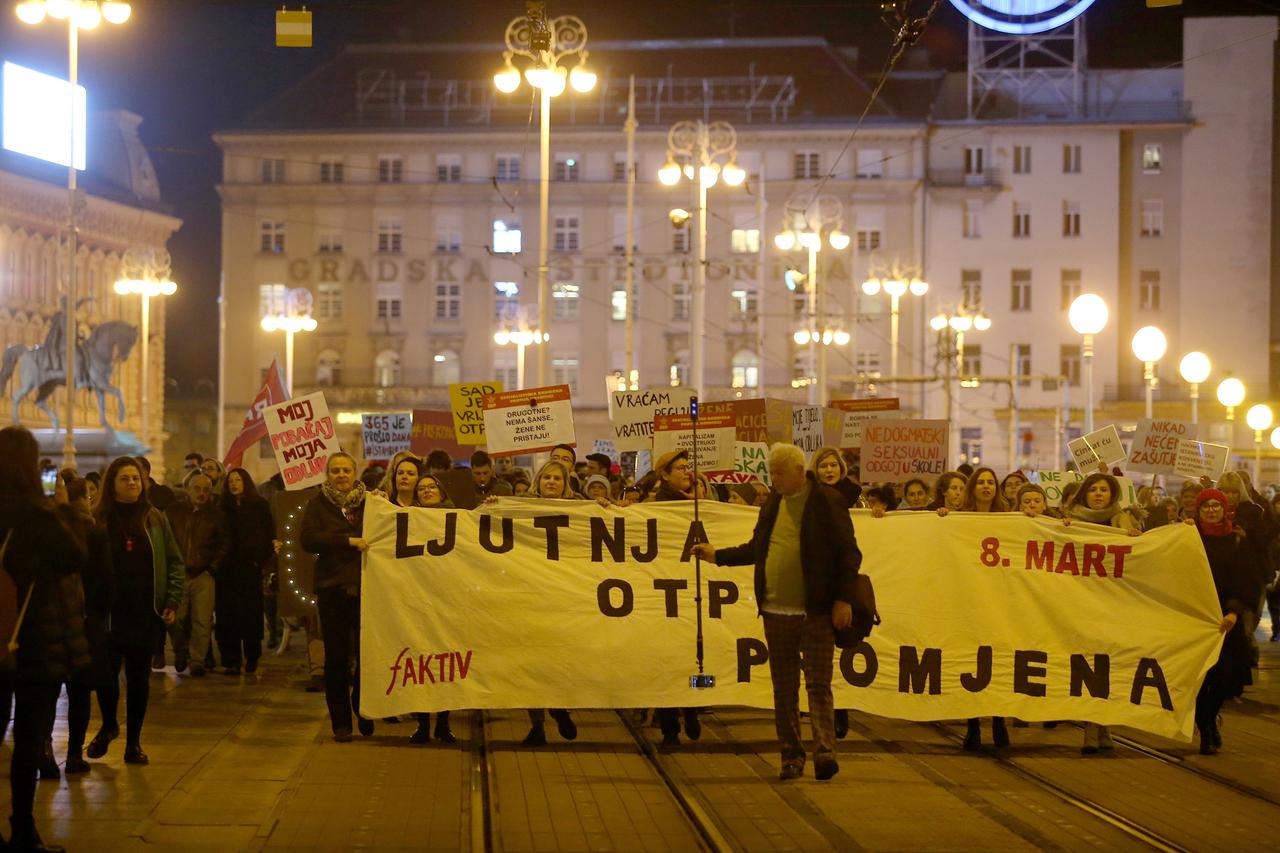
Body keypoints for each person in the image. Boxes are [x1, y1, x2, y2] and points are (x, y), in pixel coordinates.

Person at [694, 443, 860, 781]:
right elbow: (758, 548)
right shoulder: (772, 504)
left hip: (815, 611)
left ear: (799, 472)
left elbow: (849, 554)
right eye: (773, 474)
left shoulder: (826, 501)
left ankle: (824, 750)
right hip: (775, 610)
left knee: (818, 684)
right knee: (784, 687)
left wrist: (843, 599)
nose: (775, 480)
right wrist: (718, 556)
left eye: (780, 473)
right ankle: (791, 755)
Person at [0, 427, 92, 850]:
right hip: (33, 638)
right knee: (28, 739)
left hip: (2, 634)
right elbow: (75, 556)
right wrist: (65, 510)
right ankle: (22, 829)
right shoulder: (37, 515)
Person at [87, 456, 183, 766]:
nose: (132, 483)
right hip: (109, 612)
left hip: (145, 612)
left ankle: (134, 743)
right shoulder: (98, 519)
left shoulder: (154, 518)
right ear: (111, 485)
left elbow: (174, 561)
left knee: (139, 680)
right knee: (105, 677)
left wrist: (171, 599)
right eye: (125, 478)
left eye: (136, 478)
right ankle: (109, 724)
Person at [1063, 471, 1140, 754]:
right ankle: (1091, 728)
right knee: (1087, 666)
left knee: (1107, 665)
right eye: (1093, 489)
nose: (1098, 494)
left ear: (1112, 495)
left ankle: (1103, 725)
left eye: (1103, 490)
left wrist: (1136, 540)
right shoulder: (1071, 522)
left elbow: (1141, 560)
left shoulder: (1123, 521)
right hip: (1081, 604)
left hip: (1112, 604)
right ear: (1084, 493)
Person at [301, 452, 371, 742]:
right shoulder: (318, 505)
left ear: (355, 472)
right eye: (335, 471)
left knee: (368, 657)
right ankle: (340, 721)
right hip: (332, 588)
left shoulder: (371, 503)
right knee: (337, 659)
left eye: (346, 470)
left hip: (366, 588)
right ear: (327, 475)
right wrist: (347, 541)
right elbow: (308, 539)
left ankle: (365, 709)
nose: (341, 475)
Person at [1188, 489, 1260, 754]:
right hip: (1195, 618)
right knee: (1200, 676)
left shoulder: (1237, 540)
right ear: (1198, 510)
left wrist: (1233, 611)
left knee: (1229, 678)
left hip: (1226, 619)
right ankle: (1207, 728)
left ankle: (1205, 715)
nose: (1210, 510)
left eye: (1216, 505)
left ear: (1224, 509)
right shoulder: (1189, 538)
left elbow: (1246, 579)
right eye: (1205, 505)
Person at [518, 458, 580, 747]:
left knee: (559, 661)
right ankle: (537, 725)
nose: (551, 483)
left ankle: (559, 707)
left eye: (557, 479)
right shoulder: (520, 509)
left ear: (565, 484)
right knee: (530, 664)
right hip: (530, 597)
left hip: (563, 598)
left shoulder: (581, 510)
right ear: (538, 482)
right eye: (547, 478)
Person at [949, 468, 1011, 750]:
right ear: (972, 488)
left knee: (997, 661)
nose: (986, 487)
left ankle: (998, 719)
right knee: (970, 661)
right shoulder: (957, 520)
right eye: (981, 482)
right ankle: (973, 723)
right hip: (968, 599)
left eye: (991, 483)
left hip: (999, 601)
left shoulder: (1013, 521)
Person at [645, 450, 703, 746]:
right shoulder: (661, 505)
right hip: (666, 591)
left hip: (688, 590)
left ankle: (689, 709)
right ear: (665, 475)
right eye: (680, 468)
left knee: (687, 661)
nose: (686, 472)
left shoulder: (695, 503)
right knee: (669, 662)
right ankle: (672, 723)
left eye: (687, 467)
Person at [408, 475, 458, 745]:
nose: (427, 492)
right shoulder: (407, 517)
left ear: (441, 490)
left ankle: (443, 722)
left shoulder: (458, 517)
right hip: (418, 598)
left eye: (431, 487)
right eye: (421, 489)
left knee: (445, 662)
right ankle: (423, 723)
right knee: (420, 662)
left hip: (446, 599)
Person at [165, 474, 229, 676]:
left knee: (202, 619)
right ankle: (180, 650)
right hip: (178, 573)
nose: (201, 493)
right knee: (177, 617)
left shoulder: (216, 515)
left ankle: (197, 660)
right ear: (188, 489)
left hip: (204, 573)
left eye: (206, 489)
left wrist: (212, 568)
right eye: (197, 488)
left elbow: (225, 544)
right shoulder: (173, 512)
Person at [219, 468, 276, 675]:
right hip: (227, 570)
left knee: (250, 615)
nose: (234, 484)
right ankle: (231, 659)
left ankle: (252, 656)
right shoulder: (223, 507)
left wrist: (259, 560)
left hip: (250, 569)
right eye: (230, 481)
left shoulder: (259, 506)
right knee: (228, 616)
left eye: (238, 480)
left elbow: (269, 534)